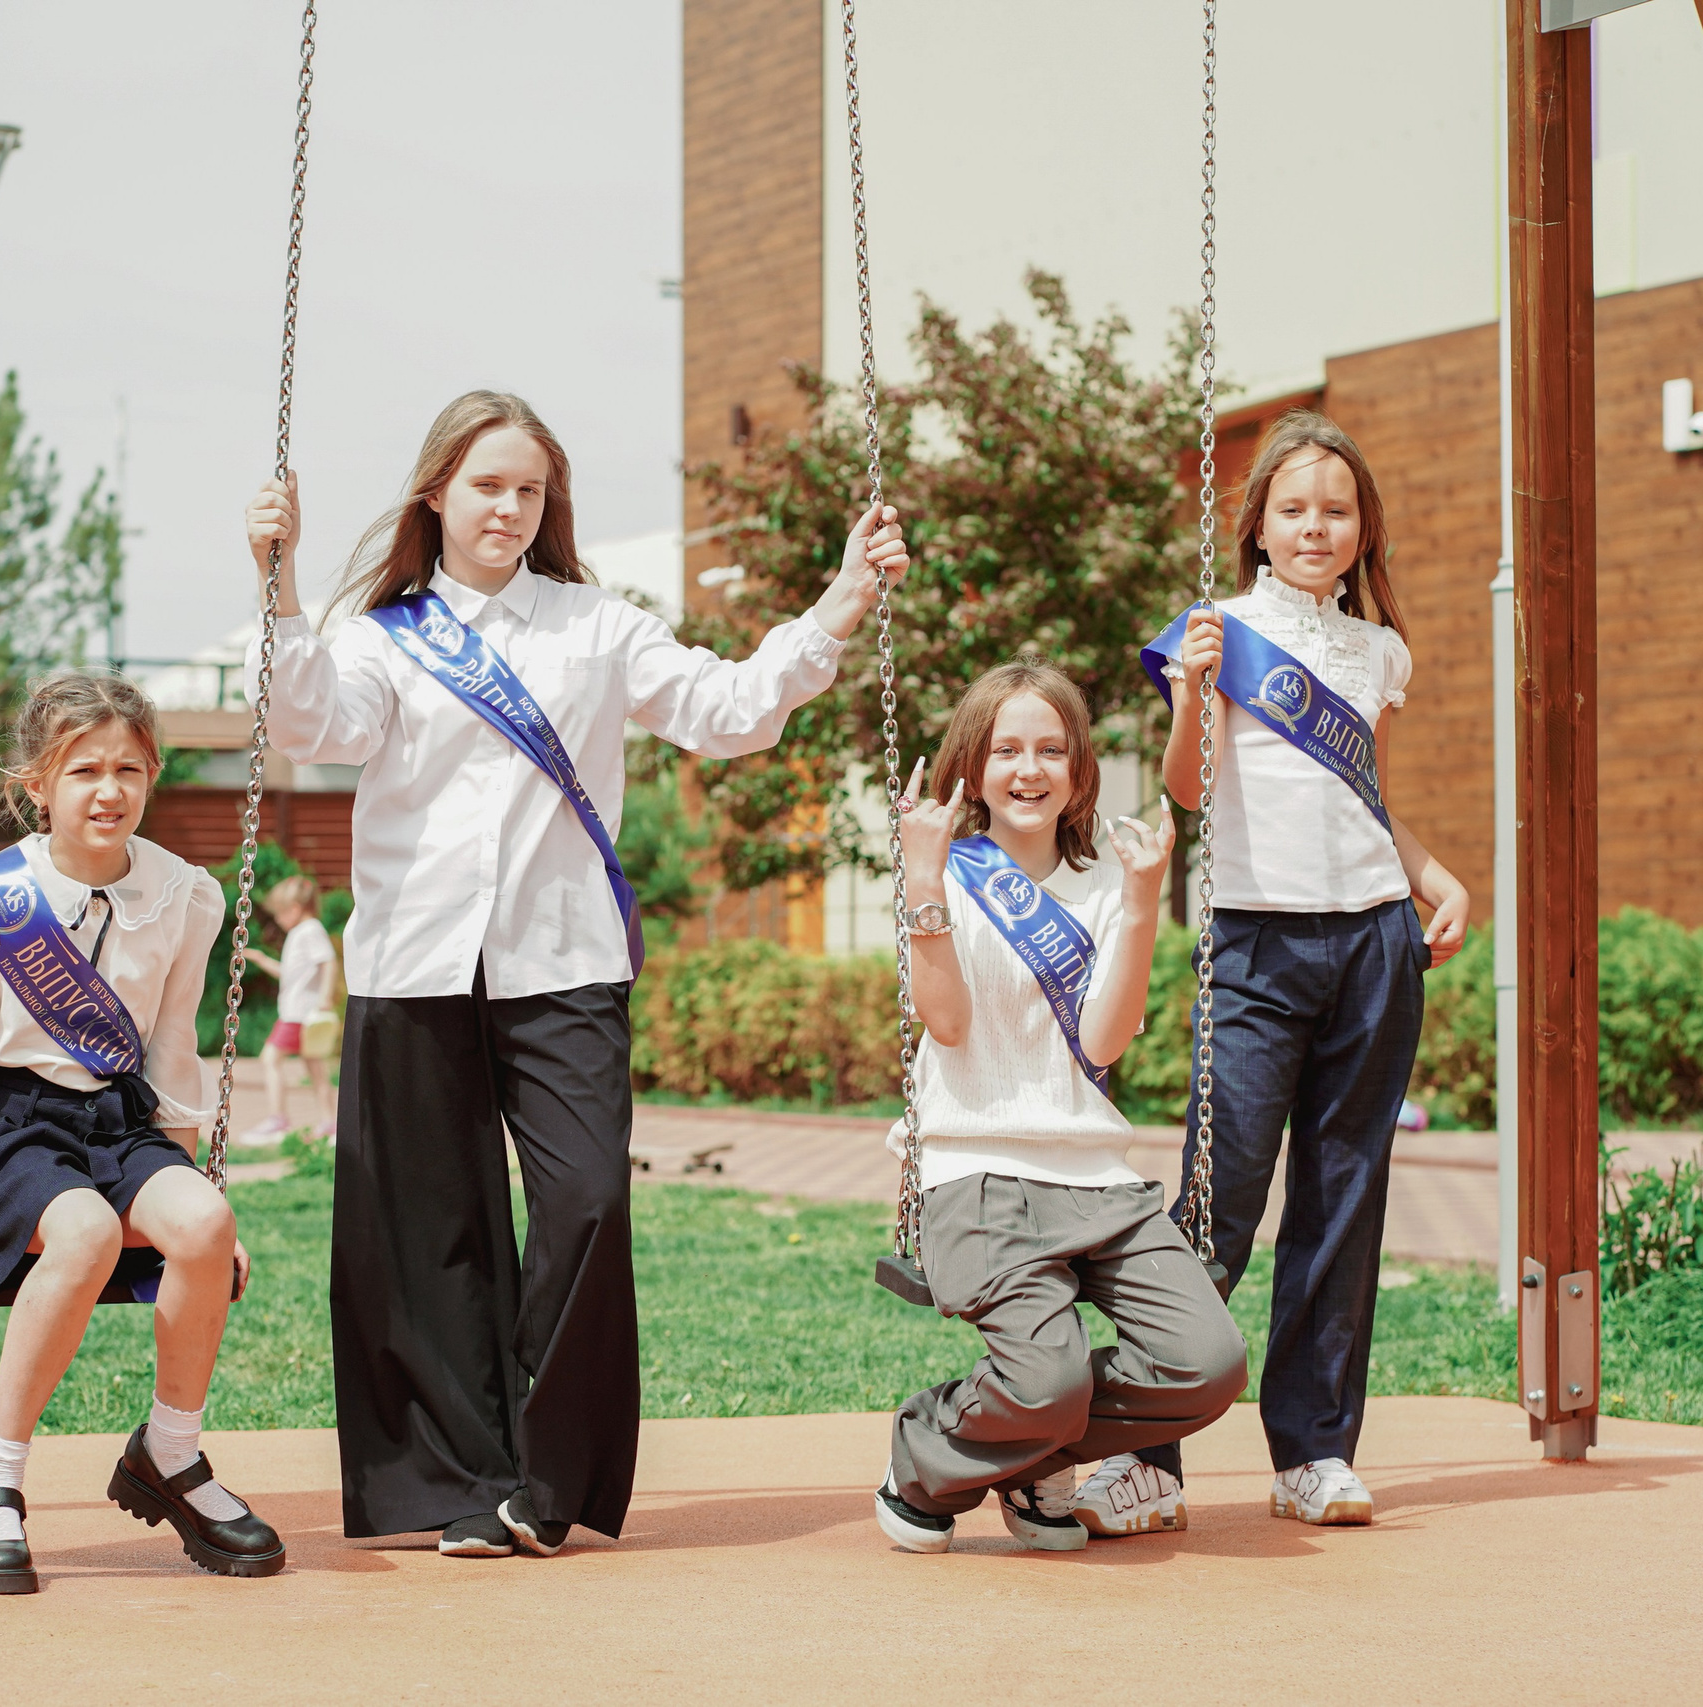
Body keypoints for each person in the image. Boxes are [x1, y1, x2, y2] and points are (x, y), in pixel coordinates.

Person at [245, 389, 907, 1559]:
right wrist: (281, 582)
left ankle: (550, 1479)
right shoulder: (378, 633)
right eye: (486, 485)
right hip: (415, 969)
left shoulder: (599, 626)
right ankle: (463, 1488)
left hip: (565, 965)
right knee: (432, 1234)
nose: (507, 507)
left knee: (588, 1202)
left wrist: (838, 609)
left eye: (529, 490)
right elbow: (312, 729)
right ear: (435, 493)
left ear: (549, 506)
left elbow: (729, 710)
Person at [1103, 409, 1470, 1534]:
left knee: (1344, 1198)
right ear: (1256, 524)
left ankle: (1312, 1451)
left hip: (1370, 941)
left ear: (1363, 531)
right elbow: (1188, 790)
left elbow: (1366, 800)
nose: (1316, 527)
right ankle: (1147, 1455)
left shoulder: (1377, 651)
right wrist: (1189, 700)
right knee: (1217, 1199)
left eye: (1338, 510)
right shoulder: (1215, 631)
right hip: (1256, 943)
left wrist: (1431, 874)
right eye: (1295, 509)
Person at [0, 673, 284, 1594]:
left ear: (153, 774)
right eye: (84, 768)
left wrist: (209, 1204)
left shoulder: (181, 894)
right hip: (8, 1130)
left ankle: (168, 1456)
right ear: (36, 784)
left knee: (205, 1224)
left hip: (116, 1123)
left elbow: (174, 1055)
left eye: (128, 768)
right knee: (87, 1231)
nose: (109, 790)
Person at [871, 662, 1248, 1555]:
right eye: (1006, 749)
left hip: (1096, 1181)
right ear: (975, 766)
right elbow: (950, 1023)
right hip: (978, 1172)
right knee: (1049, 1379)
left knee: (1209, 1363)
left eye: (1050, 749)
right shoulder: (949, 874)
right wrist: (921, 883)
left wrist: (1148, 898)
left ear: (1080, 770)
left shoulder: (1110, 881)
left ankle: (1029, 1445)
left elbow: (1107, 1039)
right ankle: (927, 1452)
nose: (1028, 769)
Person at [241, 875, 331, 1138]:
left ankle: (278, 1119)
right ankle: (329, 1122)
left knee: (269, 1059)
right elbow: (288, 974)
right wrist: (260, 958)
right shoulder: (302, 933)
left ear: (294, 909)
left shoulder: (309, 930)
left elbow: (328, 962)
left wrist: (325, 997)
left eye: (279, 914)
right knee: (315, 1068)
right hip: (303, 1013)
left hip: (298, 1014)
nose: (278, 920)